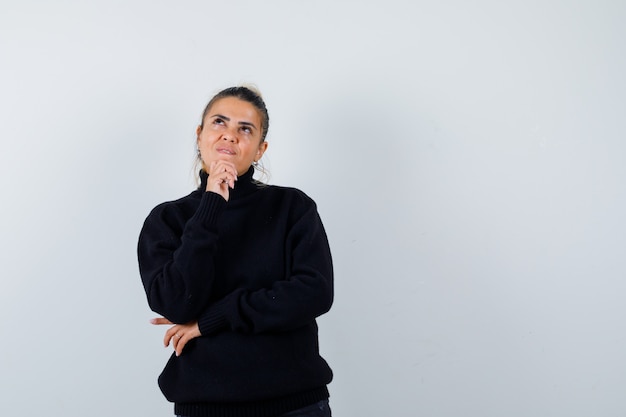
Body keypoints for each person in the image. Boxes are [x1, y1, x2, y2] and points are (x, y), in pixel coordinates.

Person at [137, 85, 334, 417]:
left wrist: (213, 319)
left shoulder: (292, 207)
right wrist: (212, 205)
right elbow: (176, 303)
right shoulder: (168, 219)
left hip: (295, 403)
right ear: (199, 136)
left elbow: (314, 293)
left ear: (260, 149)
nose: (230, 136)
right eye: (219, 123)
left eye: (245, 129)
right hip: (206, 406)